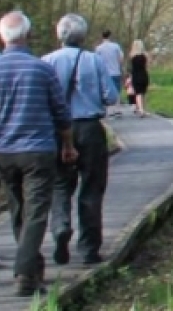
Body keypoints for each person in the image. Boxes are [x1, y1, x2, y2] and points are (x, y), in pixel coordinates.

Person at [0, 11, 78, 296]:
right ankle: (24, 272)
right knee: (35, 213)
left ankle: (32, 273)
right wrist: (68, 145)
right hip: (38, 150)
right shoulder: (42, 69)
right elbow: (61, 113)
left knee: (18, 210)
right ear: (28, 35)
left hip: (4, 152)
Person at [42, 13, 118, 267]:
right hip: (89, 128)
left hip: (57, 130)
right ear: (83, 36)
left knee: (60, 184)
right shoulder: (94, 61)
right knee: (92, 187)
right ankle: (88, 249)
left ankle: (61, 226)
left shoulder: (47, 62)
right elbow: (111, 96)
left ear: (59, 35)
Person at [94, 30, 124, 101]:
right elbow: (121, 58)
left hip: (104, 74)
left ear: (102, 37)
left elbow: (96, 61)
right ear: (110, 36)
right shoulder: (116, 46)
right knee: (117, 91)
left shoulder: (98, 48)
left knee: (105, 93)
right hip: (115, 72)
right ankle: (117, 106)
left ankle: (108, 108)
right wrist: (118, 65)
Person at [128, 39, 150, 117]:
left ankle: (140, 110)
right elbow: (147, 66)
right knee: (143, 93)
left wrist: (130, 77)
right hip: (144, 74)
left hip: (136, 75)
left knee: (138, 93)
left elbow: (132, 67)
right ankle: (143, 109)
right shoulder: (145, 55)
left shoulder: (132, 55)